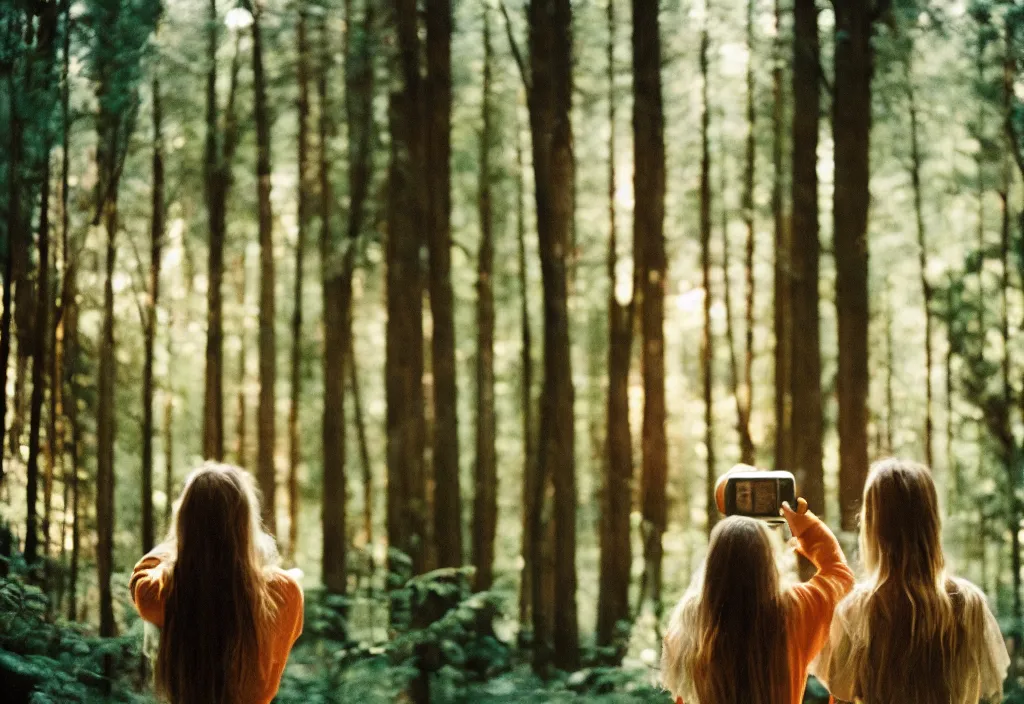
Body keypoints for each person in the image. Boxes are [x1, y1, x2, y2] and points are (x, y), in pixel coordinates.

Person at [817, 458, 1009, 704]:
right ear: (931, 522)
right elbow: (976, 689)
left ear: (873, 527)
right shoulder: (969, 604)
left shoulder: (856, 610)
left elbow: (841, 689)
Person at [661, 469, 854, 704]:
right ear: (770, 562)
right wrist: (806, 526)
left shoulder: (688, 630)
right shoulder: (795, 611)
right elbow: (838, 573)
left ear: (713, 563)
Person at [130, 462, 303, 704]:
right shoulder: (283, 593)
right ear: (246, 525)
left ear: (184, 523)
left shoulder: (163, 592)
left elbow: (143, 571)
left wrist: (182, 539)